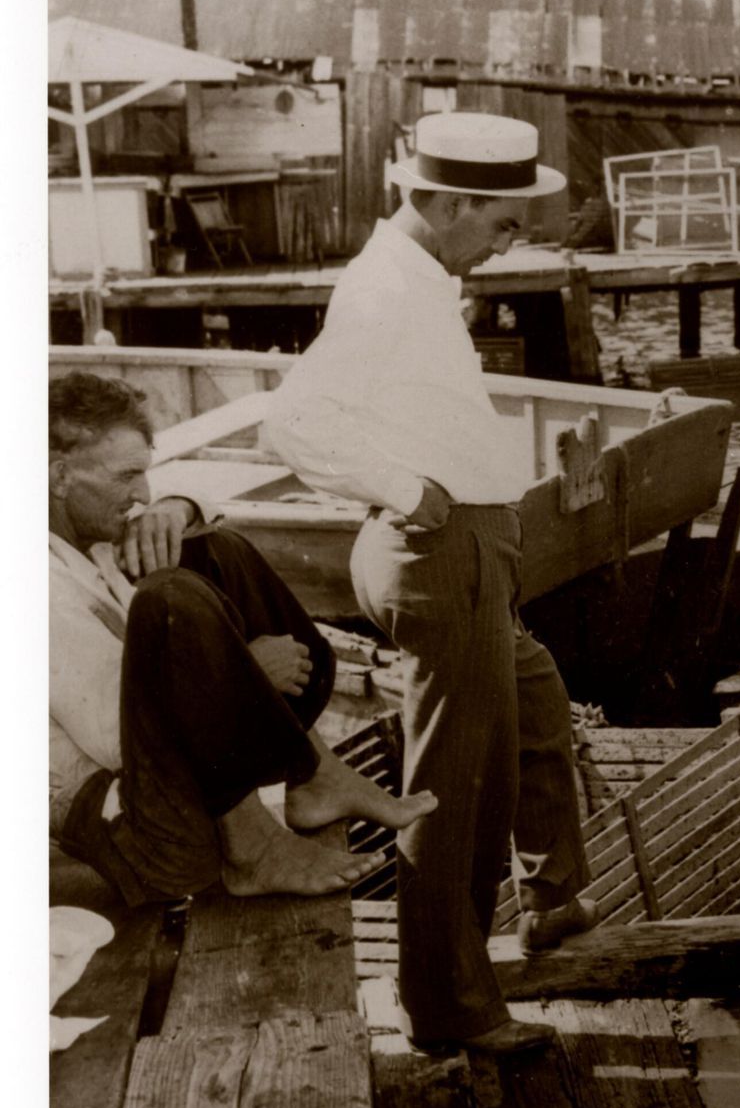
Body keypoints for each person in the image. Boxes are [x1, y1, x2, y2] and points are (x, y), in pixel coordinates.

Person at [265, 112, 595, 1057]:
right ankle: (449, 1006)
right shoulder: (386, 292)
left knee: (537, 704)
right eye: (499, 222)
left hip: (464, 553)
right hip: (441, 555)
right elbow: (294, 426)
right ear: (443, 201)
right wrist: (409, 489)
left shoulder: (419, 281)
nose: (512, 239)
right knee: (456, 787)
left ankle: (554, 897)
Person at [49, 373, 432, 905]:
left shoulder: (88, 543)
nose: (142, 494)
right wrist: (245, 674)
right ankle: (253, 849)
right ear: (60, 477)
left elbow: (203, 512)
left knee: (213, 550)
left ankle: (314, 771)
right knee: (168, 598)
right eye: (127, 477)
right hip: (145, 841)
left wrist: (179, 507)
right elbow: (121, 738)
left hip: (178, 799)